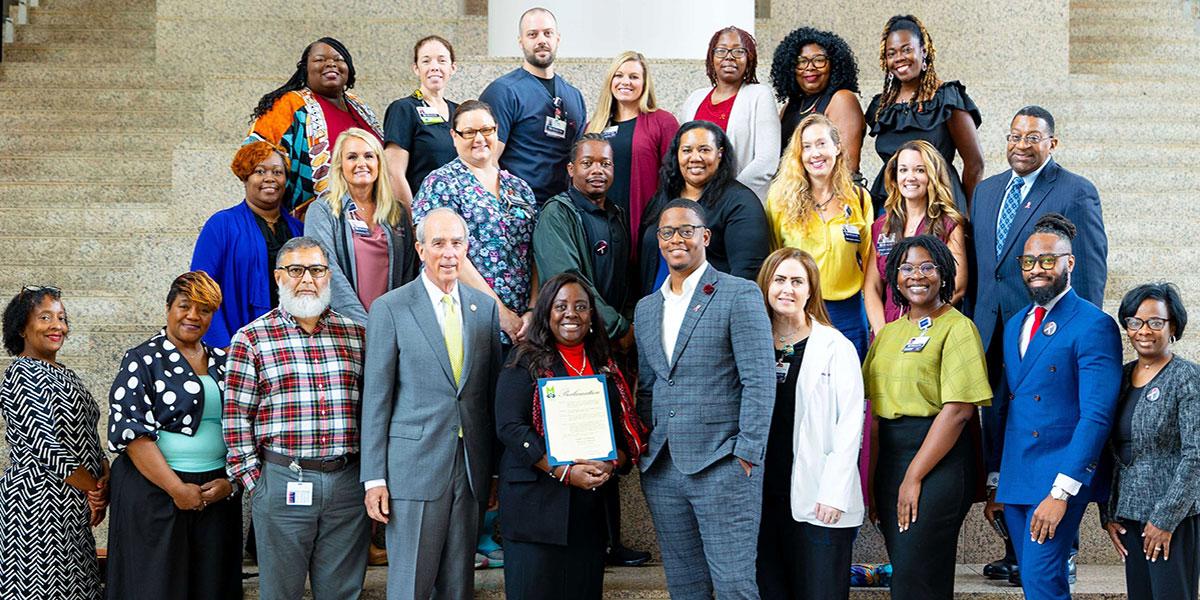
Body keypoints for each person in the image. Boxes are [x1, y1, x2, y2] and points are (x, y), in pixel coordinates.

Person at [971, 106, 1107, 583]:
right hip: (996, 331)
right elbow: (987, 269)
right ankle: (1017, 547)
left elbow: (1090, 267)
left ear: (1053, 143)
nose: (1022, 145)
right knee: (1003, 426)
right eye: (1015, 136)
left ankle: (1062, 548)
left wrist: (1075, 332)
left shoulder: (1075, 190)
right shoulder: (987, 191)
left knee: (1052, 426)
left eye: (1033, 137)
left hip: (1052, 333)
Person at [635, 198, 775, 599]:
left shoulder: (738, 294)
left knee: (734, 586)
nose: (676, 239)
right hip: (663, 470)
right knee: (685, 587)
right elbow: (648, 386)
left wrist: (746, 453)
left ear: (706, 237)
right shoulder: (646, 309)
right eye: (667, 232)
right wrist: (646, 447)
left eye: (686, 230)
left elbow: (759, 380)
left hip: (723, 464)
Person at [360, 208, 502, 600]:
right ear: (421, 249)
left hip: (469, 469)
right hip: (413, 470)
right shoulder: (390, 308)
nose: (449, 252)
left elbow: (488, 396)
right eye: (438, 243)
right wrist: (374, 478)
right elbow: (376, 399)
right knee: (410, 586)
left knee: (459, 586)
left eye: (456, 243)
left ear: (467, 248)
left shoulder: (484, 308)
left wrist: (492, 472)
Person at [223, 236, 369, 600]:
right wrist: (257, 484)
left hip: (347, 484)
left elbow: (374, 408)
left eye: (317, 270)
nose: (307, 279)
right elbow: (236, 419)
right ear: (278, 277)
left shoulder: (357, 336)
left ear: (328, 276)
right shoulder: (251, 339)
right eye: (296, 270)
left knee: (342, 593)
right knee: (280, 593)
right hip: (282, 480)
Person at [532, 134, 651, 567]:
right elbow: (570, 279)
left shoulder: (616, 215)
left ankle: (610, 541)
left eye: (605, 163)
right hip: (573, 341)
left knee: (609, 435)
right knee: (575, 436)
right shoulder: (558, 213)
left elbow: (627, 280)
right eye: (588, 163)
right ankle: (584, 543)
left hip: (608, 347)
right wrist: (619, 327)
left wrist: (628, 325)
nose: (597, 170)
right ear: (571, 169)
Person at [991, 214, 1122, 600]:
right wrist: (998, 480)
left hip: (1057, 476)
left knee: (1042, 581)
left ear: (1070, 262)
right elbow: (1010, 406)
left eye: (1048, 260)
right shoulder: (1015, 324)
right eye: (1029, 261)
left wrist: (1062, 491)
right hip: (1017, 475)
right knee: (1037, 584)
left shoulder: (1093, 324)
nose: (1036, 269)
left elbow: (1096, 415)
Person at [494, 272, 647, 599]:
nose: (571, 314)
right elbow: (510, 426)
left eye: (581, 306)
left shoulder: (605, 364)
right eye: (561, 306)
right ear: (546, 312)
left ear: (591, 315)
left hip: (589, 515)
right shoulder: (524, 360)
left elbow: (623, 435)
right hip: (534, 512)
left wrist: (612, 462)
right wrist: (561, 470)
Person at [863, 235, 991, 600]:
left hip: (938, 462)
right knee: (914, 578)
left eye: (926, 267)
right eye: (906, 268)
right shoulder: (888, 333)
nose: (916, 276)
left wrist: (913, 476)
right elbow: (875, 415)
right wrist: (872, 482)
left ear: (944, 273)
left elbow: (958, 411)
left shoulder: (957, 327)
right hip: (891, 461)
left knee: (914, 578)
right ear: (894, 276)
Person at [104, 272, 241, 600]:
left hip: (215, 495)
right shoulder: (142, 359)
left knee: (211, 587)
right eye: (184, 306)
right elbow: (132, 433)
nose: (193, 316)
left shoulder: (224, 361)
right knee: (155, 587)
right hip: (155, 493)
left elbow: (244, 427)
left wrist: (230, 482)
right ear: (168, 308)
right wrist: (177, 489)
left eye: (204, 310)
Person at [754, 248, 863, 600]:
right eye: (779, 279)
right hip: (762, 497)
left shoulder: (835, 346)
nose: (787, 289)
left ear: (811, 289)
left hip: (819, 496)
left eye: (797, 281)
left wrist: (833, 493)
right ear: (766, 285)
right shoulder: (751, 343)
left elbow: (850, 426)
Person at [0, 286, 108, 600]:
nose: (57, 325)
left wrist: (104, 474)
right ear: (22, 328)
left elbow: (87, 434)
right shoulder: (22, 374)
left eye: (61, 318)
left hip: (72, 507)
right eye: (45, 317)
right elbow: (48, 448)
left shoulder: (66, 374)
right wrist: (93, 489)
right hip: (36, 509)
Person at [1102, 283, 1200, 600]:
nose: (1144, 331)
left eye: (1156, 322)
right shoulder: (1120, 377)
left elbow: (1196, 456)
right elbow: (1112, 452)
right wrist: (1109, 514)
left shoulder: (1186, 377)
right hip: (1129, 516)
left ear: (1174, 327)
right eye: (1136, 322)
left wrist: (1165, 519)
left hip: (1174, 520)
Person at [414, 100, 538, 346]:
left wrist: (533, 310)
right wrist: (500, 314)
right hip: (468, 319)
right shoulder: (440, 183)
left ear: (496, 131)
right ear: (454, 136)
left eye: (486, 130)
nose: (479, 138)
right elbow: (445, 254)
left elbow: (536, 252)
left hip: (524, 327)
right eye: (469, 132)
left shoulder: (519, 187)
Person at [766, 113, 873, 358]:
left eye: (821, 143)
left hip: (848, 312)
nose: (815, 153)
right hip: (798, 311)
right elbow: (773, 258)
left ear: (837, 147)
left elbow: (870, 261)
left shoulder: (858, 198)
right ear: (799, 155)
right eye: (806, 147)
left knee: (848, 377)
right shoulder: (779, 199)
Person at [246, 37, 383, 218]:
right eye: (320, 60)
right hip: (311, 218)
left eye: (339, 60)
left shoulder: (358, 105)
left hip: (372, 215)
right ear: (305, 69)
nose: (331, 64)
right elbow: (251, 156)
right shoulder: (289, 104)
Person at [865, 15, 983, 213]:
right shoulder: (881, 106)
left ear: (924, 51)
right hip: (891, 205)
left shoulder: (946, 98)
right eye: (891, 53)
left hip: (939, 203)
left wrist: (972, 214)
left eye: (906, 49)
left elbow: (975, 164)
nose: (899, 58)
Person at [637, 120, 769, 296]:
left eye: (704, 150)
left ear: (719, 154)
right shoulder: (663, 198)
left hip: (711, 308)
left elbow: (747, 272)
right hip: (657, 305)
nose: (695, 158)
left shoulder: (741, 203)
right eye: (687, 150)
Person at [192, 141, 303, 348]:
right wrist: (224, 346)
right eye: (260, 171)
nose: (270, 178)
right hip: (236, 343)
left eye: (277, 172)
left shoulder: (299, 230)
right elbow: (201, 289)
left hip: (291, 344)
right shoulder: (222, 224)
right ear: (245, 177)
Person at [303, 128, 419, 325]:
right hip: (342, 326)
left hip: (391, 325)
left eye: (369, 156)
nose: (361, 163)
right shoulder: (322, 211)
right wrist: (363, 324)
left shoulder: (397, 212)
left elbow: (407, 274)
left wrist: (392, 324)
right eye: (352, 157)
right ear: (340, 165)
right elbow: (326, 270)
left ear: (379, 163)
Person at [479, 7, 586, 205]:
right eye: (532, 34)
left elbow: (578, 159)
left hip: (562, 209)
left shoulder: (574, 97)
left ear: (557, 38)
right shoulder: (503, 92)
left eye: (548, 33)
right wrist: (510, 207)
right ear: (521, 42)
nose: (541, 40)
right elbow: (487, 161)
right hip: (519, 208)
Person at [864, 139, 966, 333]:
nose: (910, 177)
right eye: (903, 170)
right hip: (887, 328)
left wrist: (917, 325)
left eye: (919, 170)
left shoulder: (949, 224)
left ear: (932, 175)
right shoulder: (882, 226)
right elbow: (872, 287)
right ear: (895, 176)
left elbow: (957, 287)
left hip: (929, 328)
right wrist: (882, 333)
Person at [585, 51, 680, 252]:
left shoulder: (663, 122)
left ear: (645, 83)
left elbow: (675, 179)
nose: (625, 82)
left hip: (646, 227)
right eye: (618, 75)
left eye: (634, 77)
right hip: (600, 228)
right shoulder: (594, 127)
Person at [681, 26, 780, 202]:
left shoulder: (759, 95)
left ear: (749, 58)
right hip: (695, 202)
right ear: (711, 58)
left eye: (738, 51)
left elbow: (766, 161)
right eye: (721, 51)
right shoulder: (695, 99)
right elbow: (682, 153)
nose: (729, 57)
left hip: (738, 203)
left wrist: (726, 198)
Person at [769, 26, 864, 179]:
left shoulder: (842, 99)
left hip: (830, 191)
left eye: (819, 60)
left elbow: (847, 167)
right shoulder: (790, 106)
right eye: (801, 62)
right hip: (791, 190)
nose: (810, 67)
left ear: (833, 64)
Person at [383, 35, 460, 205]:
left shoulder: (460, 113)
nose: (434, 67)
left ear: (453, 67)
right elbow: (393, 173)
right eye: (426, 61)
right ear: (416, 68)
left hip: (461, 212)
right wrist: (411, 216)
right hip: (424, 213)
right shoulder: (404, 109)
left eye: (442, 60)